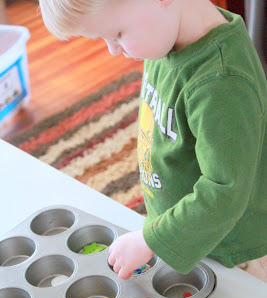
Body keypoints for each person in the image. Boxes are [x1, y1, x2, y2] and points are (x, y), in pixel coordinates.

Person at [39, 0, 267, 281]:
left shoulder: (222, 83)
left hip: (232, 254)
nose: (113, 50)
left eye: (117, 34)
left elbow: (225, 192)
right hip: (183, 234)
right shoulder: (166, 35)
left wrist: (150, 240)